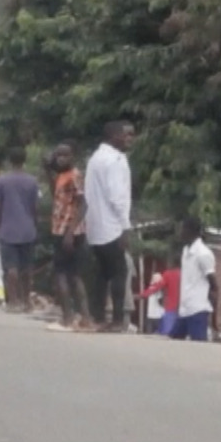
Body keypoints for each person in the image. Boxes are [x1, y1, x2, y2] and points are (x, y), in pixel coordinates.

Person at [84, 122, 135, 331]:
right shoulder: (115, 160)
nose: (130, 139)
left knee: (102, 274)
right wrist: (125, 227)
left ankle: (97, 316)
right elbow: (117, 196)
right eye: (127, 134)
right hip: (112, 226)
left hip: (96, 226)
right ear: (115, 136)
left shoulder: (96, 158)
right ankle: (117, 320)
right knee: (118, 272)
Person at [0, 146, 40, 313]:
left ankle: (13, 302)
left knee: (11, 268)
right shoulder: (32, 181)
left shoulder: (2, 181)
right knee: (27, 268)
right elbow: (35, 207)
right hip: (28, 230)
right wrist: (35, 225)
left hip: (7, 230)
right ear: (24, 160)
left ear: (9, 160)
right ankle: (27, 301)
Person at [45, 143, 87, 331]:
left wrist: (70, 232)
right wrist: (48, 170)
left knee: (63, 274)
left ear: (72, 157)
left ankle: (69, 318)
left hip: (69, 231)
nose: (61, 159)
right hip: (59, 229)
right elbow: (54, 194)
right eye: (58, 155)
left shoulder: (74, 176)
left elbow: (83, 204)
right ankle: (83, 318)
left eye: (65, 155)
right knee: (71, 274)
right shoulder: (61, 176)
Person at [173, 218, 217, 341]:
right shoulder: (185, 251)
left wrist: (214, 318)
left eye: (182, 229)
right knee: (173, 344)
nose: (180, 232)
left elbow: (214, 286)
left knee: (198, 346)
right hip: (184, 309)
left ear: (190, 231)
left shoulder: (203, 254)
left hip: (198, 310)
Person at [142, 267, 181, 336]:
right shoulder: (151, 288)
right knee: (150, 333)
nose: (155, 280)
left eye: (157, 279)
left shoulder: (161, 289)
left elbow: (161, 300)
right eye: (154, 278)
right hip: (150, 315)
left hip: (159, 315)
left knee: (161, 333)